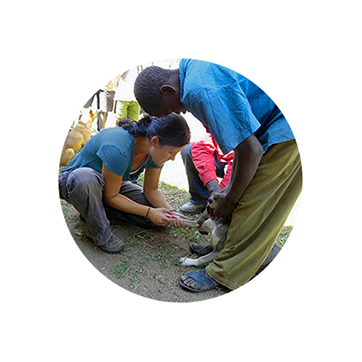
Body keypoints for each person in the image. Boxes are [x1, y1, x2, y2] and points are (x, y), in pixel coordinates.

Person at [134, 59, 302, 292]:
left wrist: (229, 199)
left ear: (168, 91)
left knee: (254, 202)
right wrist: (222, 194)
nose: (179, 112)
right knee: (243, 195)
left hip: (286, 129)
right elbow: (244, 149)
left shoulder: (198, 91)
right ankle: (224, 249)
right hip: (269, 127)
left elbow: (250, 151)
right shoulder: (194, 67)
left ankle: (225, 271)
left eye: (171, 109)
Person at [59, 113, 191, 254]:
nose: (172, 158)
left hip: (110, 186)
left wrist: (172, 214)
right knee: (86, 178)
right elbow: (111, 196)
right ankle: (100, 233)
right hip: (77, 182)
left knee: (158, 218)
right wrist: (149, 212)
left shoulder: (154, 152)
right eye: (171, 152)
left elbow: (151, 189)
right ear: (155, 141)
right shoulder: (119, 147)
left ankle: (94, 212)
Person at [180, 131, 234, 215]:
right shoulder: (215, 122)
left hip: (241, 161)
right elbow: (201, 147)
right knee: (188, 150)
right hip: (220, 159)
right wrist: (213, 188)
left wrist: (219, 196)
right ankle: (200, 200)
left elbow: (240, 163)